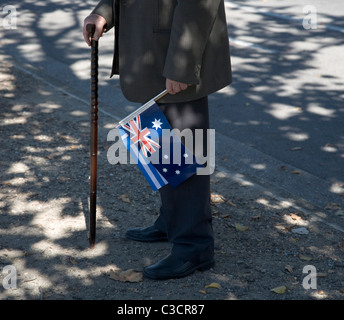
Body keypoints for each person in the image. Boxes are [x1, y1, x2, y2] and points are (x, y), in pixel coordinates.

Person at [83, 0, 232, 280]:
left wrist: (182, 63)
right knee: (164, 149)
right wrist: (105, 11)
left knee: (183, 158)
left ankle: (194, 246)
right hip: (153, 51)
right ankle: (171, 221)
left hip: (176, 56)